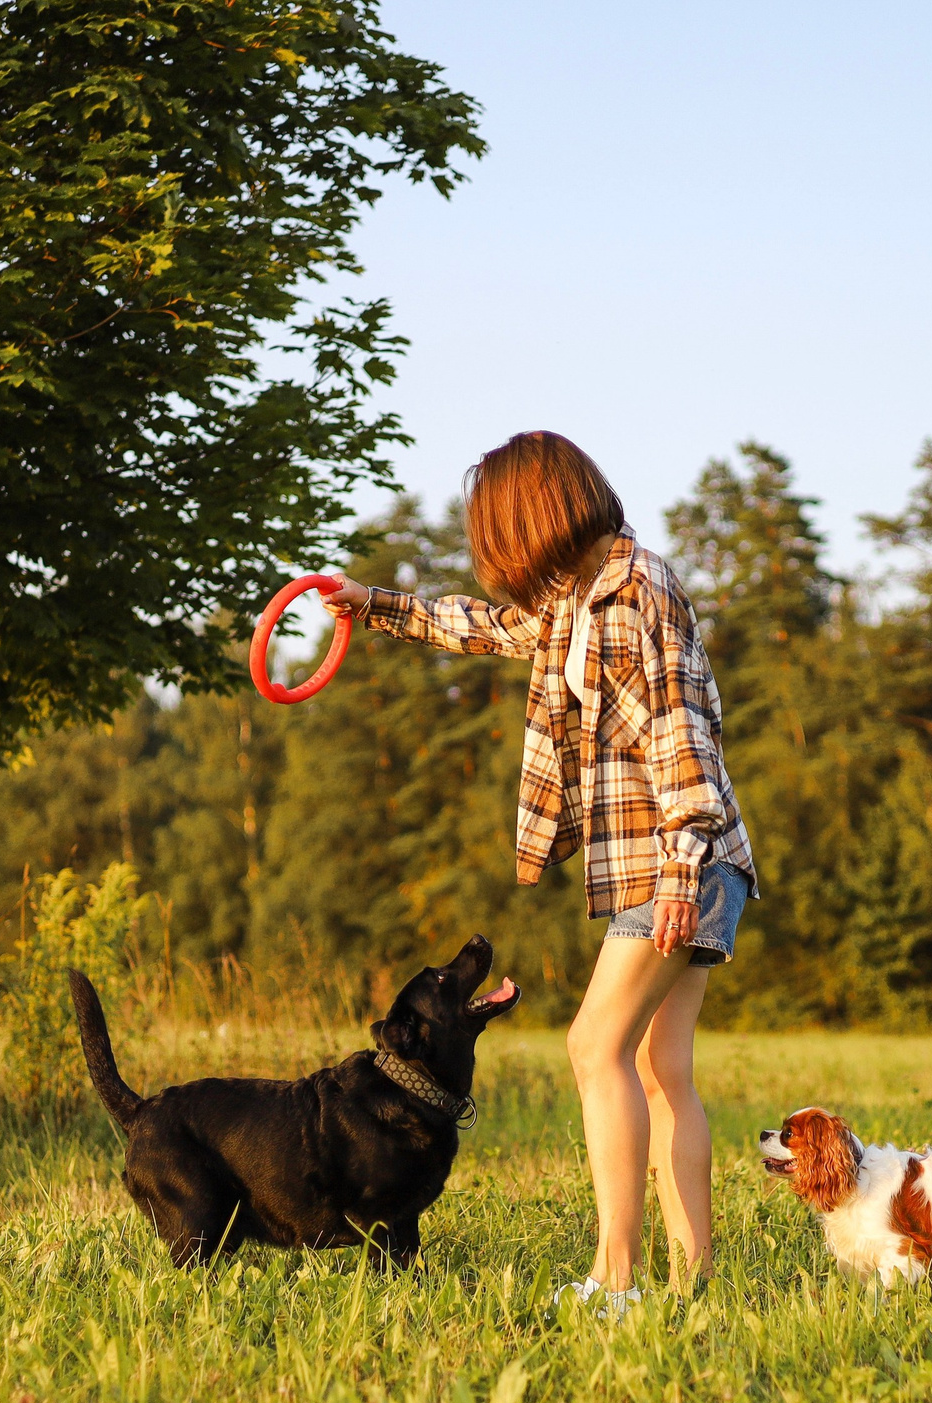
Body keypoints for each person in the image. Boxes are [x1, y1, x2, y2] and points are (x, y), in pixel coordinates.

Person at [322, 431, 756, 1313]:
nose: (496, 557)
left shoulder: (638, 590)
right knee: (661, 1068)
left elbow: (682, 732)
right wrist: (372, 605)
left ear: (535, 517)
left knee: (595, 1047)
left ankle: (616, 1281)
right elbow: (484, 627)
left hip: (679, 858)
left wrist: (681, 869)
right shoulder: (577, 601)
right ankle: (693, 1287)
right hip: (678, 861)